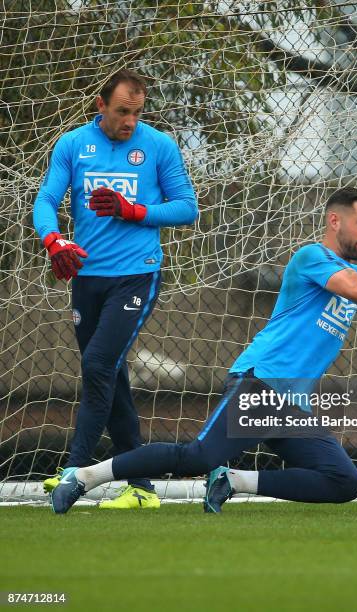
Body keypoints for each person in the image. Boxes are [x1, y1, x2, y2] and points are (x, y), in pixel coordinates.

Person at [49, 188, 357, 514]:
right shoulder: (312, 257)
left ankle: (234, 481)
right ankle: (85, 476)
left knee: (344, 481)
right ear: (334, 221)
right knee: (198, 457)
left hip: (292, 403)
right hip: (260, 384)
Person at [33, 69, 198, 509]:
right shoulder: (72, 145)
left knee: (99, 362)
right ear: (101, 106)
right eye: (123, 111)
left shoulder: (158, 146)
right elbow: (46, 200)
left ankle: (76, 469)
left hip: (136, 274)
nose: (130, 120)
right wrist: (54, 240)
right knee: (111, 374)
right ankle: (141, 486)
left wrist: (135, 210)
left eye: (138, 112)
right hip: (87, 278)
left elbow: (187, 207)